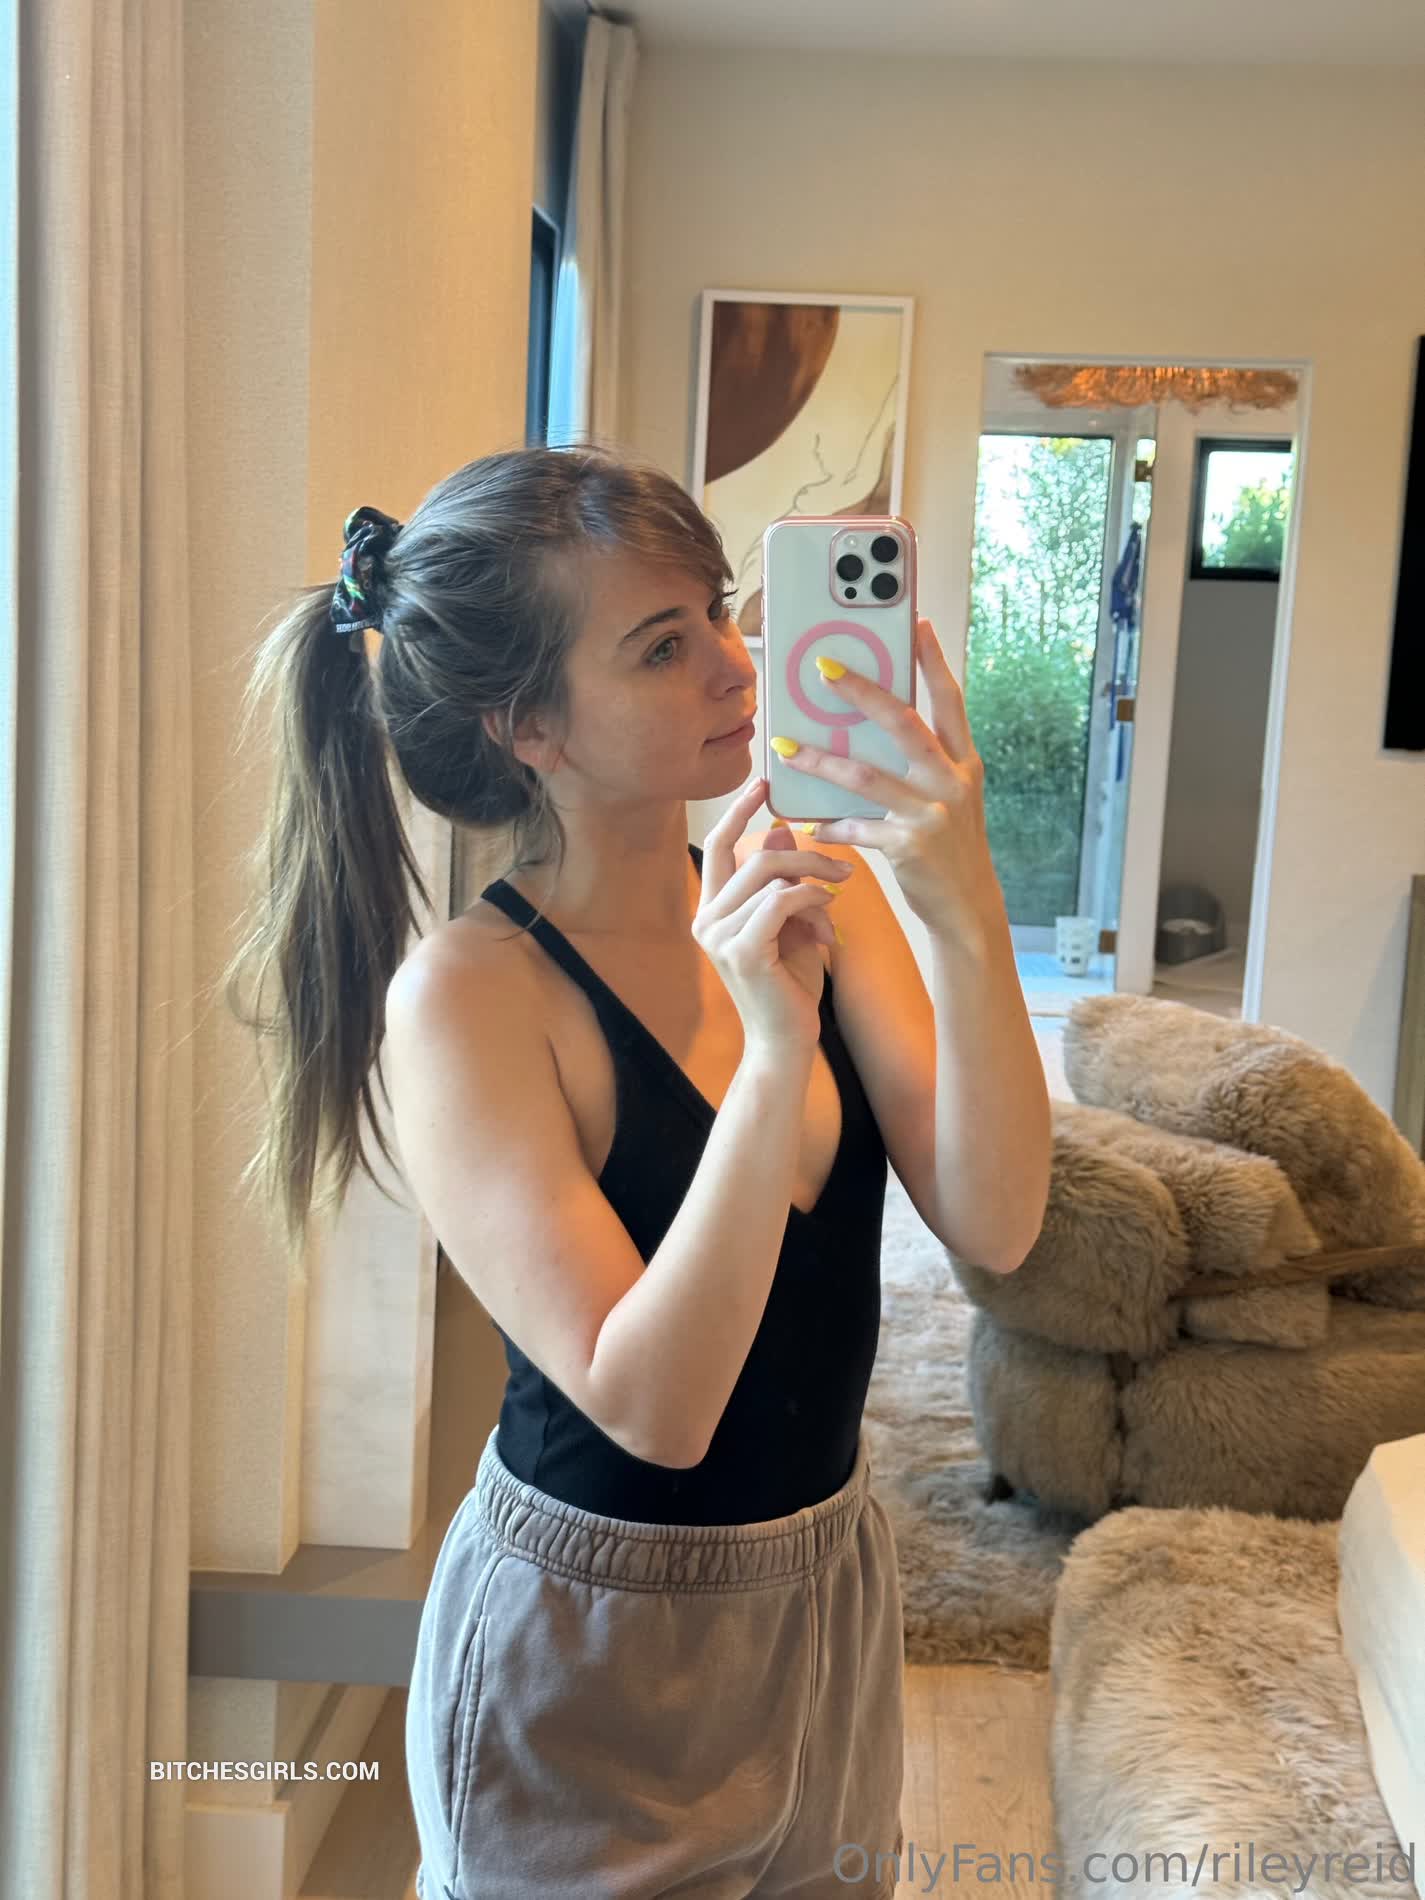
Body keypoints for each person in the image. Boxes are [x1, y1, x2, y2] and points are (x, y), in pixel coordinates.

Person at [223, 444, 1039, 1899]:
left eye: (719, 612)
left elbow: (999, 1221)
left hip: (826, 1601)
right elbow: (654, 1406)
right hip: (592, 1647)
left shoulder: (818, 891)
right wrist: (773, 1053)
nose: (735, 666)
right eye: (664, 645)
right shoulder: (471, 997)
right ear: (527, 725)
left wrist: (961, 895)